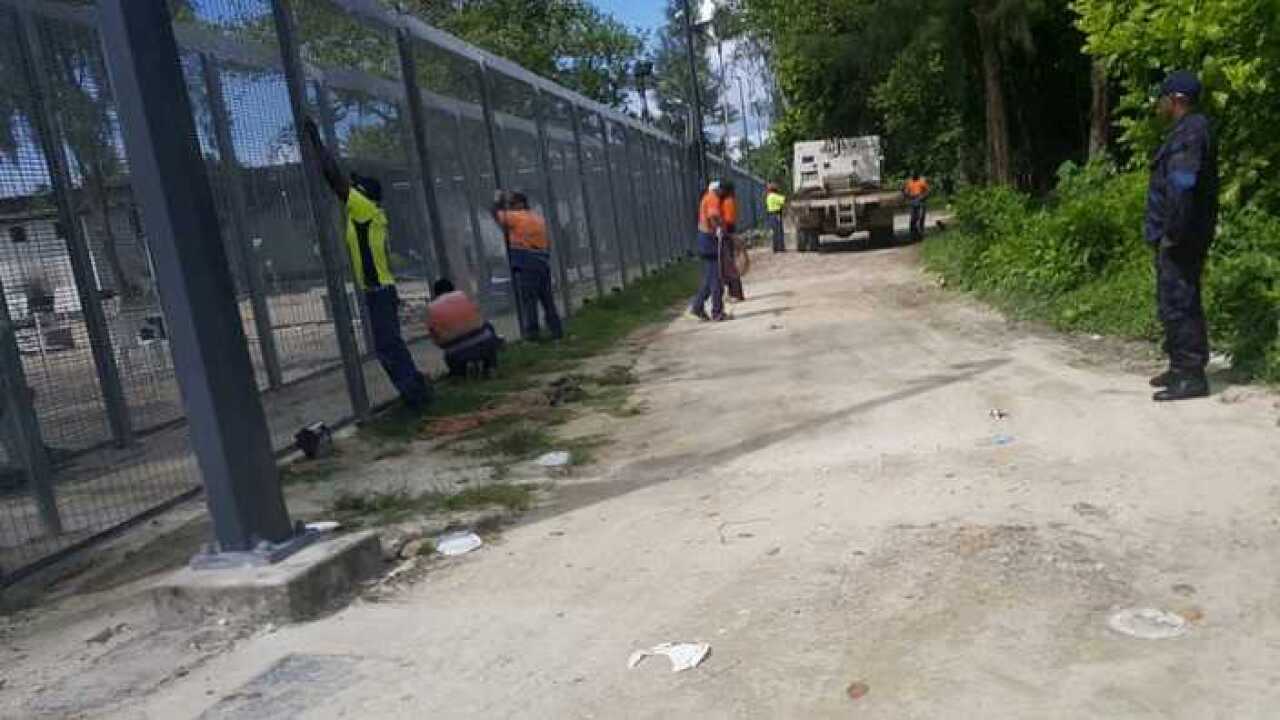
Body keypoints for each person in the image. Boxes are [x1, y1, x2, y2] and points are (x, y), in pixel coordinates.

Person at [302, 118, 431, 409]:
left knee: (388, 347)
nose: (351, 189)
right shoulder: (370, 212)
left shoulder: (363, 208)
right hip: (381, 288)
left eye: (355, 187)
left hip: (377, 289)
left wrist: (316, 141)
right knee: (390, 345)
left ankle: (414, 394)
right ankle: (415, 388)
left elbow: (333, 176)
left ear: (363, 194)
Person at [1146, 70, 1219, 402]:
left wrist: (1172, 234)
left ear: (1176, 100)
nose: (1158, 105)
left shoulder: (1190, 133)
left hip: (1181, 236)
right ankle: (1179, 366)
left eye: (1162, 99)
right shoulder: (1185, 130)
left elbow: (1182, 187)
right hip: (1177, 233)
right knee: (1172, 300)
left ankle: (1191, 375)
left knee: (1181, 301)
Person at [491, 190, 563, 342]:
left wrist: (497, 201)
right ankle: (556, 331)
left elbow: (497, 215)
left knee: (529, 301)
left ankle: (533, 336)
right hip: (542, 263)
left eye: (511, 204)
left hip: (526, 264)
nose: (509, 207)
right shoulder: (537, 218)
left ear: (520, 204)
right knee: (547, 299)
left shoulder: (517, 217)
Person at [426, 279, 502, 379]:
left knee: (449, 351)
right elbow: (480, 317)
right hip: (483, 344)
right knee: (488, 328)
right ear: (453, 289)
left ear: (435, 294)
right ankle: (490, 366)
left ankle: (460, 373)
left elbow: (436, 339)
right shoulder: (463, 296)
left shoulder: (431, 308)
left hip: (456, 353)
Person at [689, 181, 728, 321]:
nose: (723, 194)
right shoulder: (712, 198)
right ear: (717, 189)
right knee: (716, 279)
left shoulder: (707, 197)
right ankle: (717, 312)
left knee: (709, 279)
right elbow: (713, 216)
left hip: (703, 239)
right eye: (722, 191)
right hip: (709, 240)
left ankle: (697, 307)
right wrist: (718, 228)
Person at [720, 181, 747, 303]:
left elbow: (729, 221)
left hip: (728, 234)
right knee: (729, 264)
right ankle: (734, 293)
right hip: (730, 233)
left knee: (729, 265)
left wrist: (727, 234)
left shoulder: (728, 202)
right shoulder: (730, 201)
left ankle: (736, 293)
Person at [904, 173, 930, 242]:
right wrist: (908, 195)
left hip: (921, 200)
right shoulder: (909, 182)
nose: (913, 177)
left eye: (915, 176)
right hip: (913, 200)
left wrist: (923, 197)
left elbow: (927, 191)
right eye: (912, 176)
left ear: (917, 176)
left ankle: (921, 234)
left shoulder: (922, 182)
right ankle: (912, 234)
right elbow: (906, 191)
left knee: (921, 217)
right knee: (913, 218)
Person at [765, 183, 787, 252]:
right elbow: (783, 200)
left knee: (774, 232)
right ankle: (781, 247)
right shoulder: (775, 196)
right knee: (779, 231)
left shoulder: (768, 197)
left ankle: (775, 248)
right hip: (776, 214)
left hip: (770, 215)